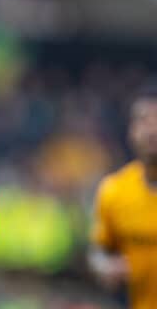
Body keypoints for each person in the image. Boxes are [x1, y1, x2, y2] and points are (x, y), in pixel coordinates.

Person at [89, 79, 157, 309]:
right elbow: (99, 252)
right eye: (143, 120)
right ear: (130, 129)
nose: (152, 129)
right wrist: (105, 267)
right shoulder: (115, 190)